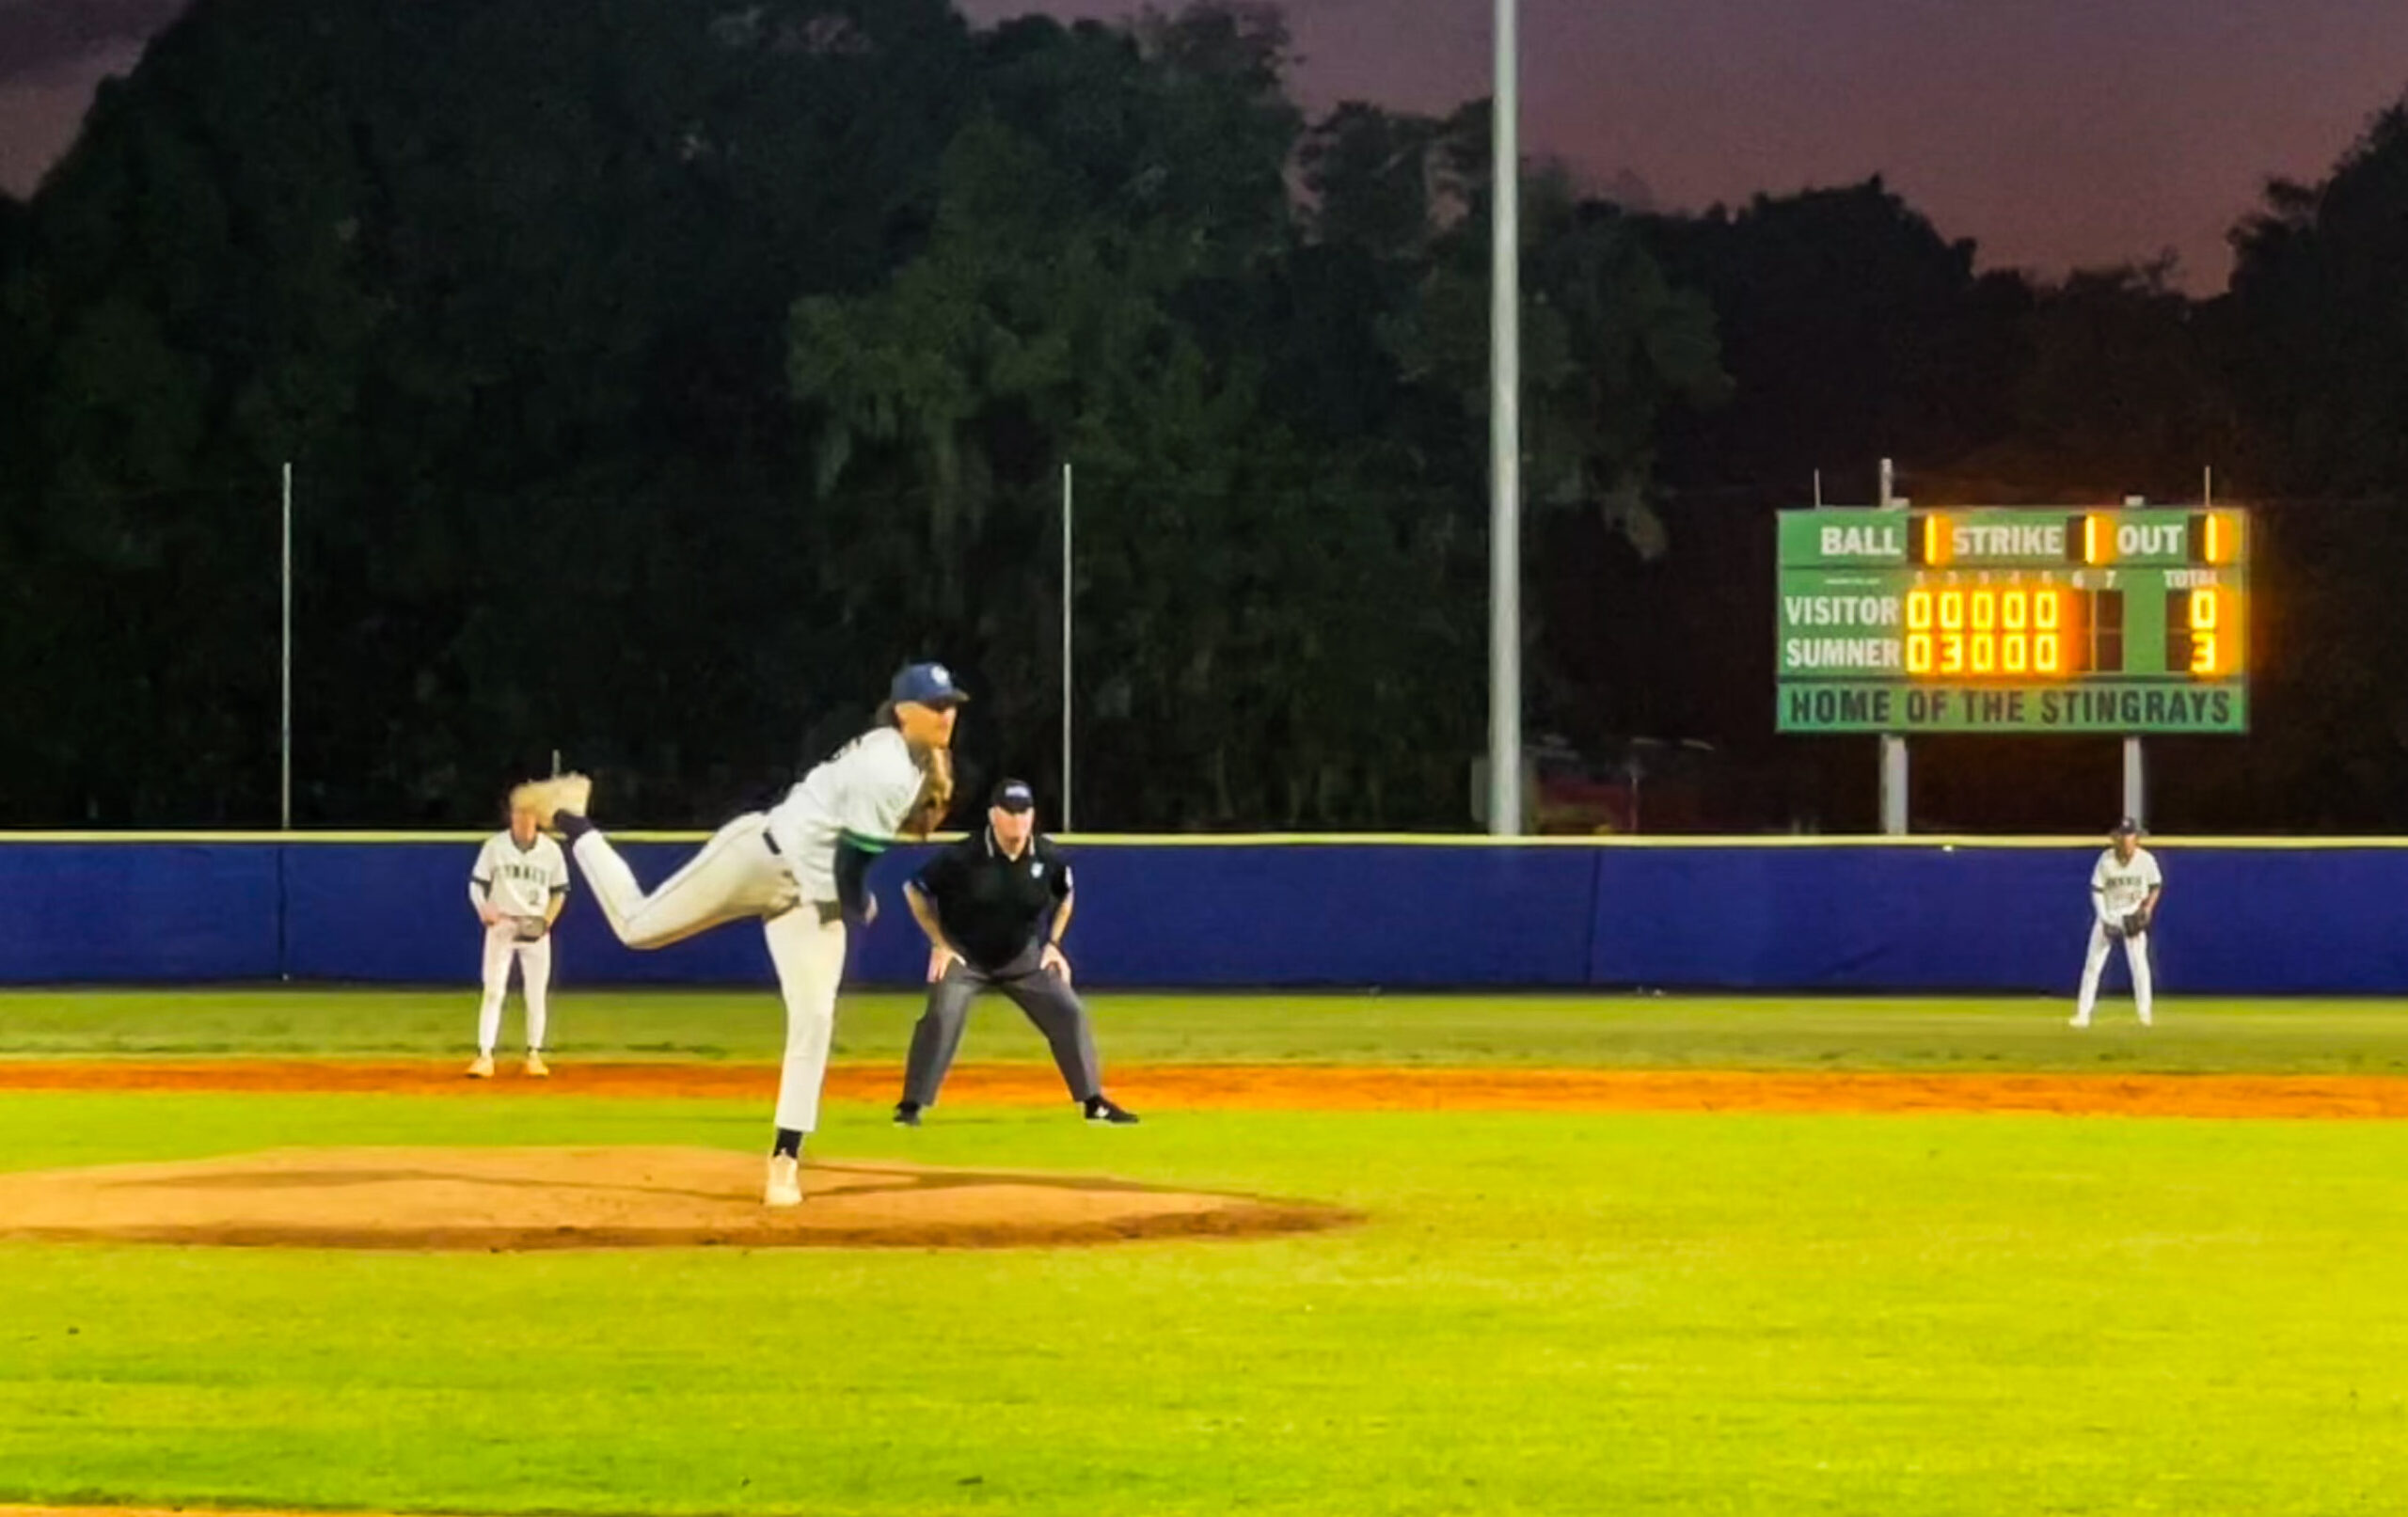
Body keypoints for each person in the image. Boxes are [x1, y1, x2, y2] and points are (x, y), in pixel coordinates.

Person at [515, 663, 963, 1206]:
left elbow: (848, 864)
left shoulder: (909, 763)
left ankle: (785, 1161)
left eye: (951, 704)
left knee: (816, 1018)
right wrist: (858, 902)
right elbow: (850, 871)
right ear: (902, 712)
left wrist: (848, 897)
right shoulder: (886, 764)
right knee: (637, 928)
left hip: (808, 898)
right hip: (760, 857)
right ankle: (572, 815)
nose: (947, 713)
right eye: (936, 705)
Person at [893, 778, 1136, 1127]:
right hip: (967, 956)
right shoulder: (965, 856)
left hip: (1022, 958)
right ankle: (911, 1106)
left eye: (1024, 813)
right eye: (1009, 812)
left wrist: (1053, 945)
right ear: (993, 816)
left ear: (1033, 816)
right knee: (942, 1015)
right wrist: (940, 943)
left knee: (1069, 1012)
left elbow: (1066, 893)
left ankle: (1093, 1103)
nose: (1018, 821)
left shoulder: (1047, 856)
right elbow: (915, 889)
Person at [466, 790, 573, 1078]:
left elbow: (560, 891)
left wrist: (547, 921)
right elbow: (476, 885)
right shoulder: (495, 846)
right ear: (511, 816)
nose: (523, 819)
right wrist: (483, 908)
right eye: (518, 813)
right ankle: (485, 1055)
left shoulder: (550, 851)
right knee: (493, 991)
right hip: (502, 924)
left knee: (535, 994)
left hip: (535, 926)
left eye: (529, 814)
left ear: (538, 818)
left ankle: (533, 1055)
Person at [2071, 816, 2162, 1029]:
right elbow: (2097, 890)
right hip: (2109, 914)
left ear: (2136, 838)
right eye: (2122, 835)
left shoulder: (2146, 860)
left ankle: (2144, 1015)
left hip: (2132, 915)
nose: (2126, 839)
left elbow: (2156, 885)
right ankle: (2083, 1015)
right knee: (2093, 965)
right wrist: (2104, 919)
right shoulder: (2106, 860)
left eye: (2129, 835)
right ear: (2116, 838)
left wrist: (2147, 909)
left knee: (2139, 965)